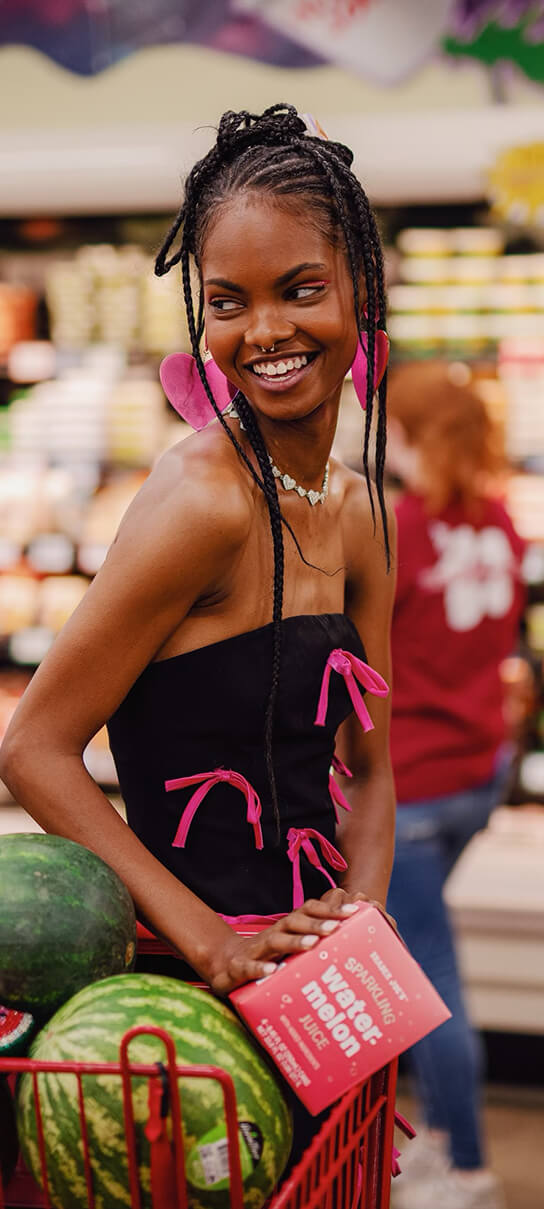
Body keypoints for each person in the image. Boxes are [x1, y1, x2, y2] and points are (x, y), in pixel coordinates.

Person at [0, 102, 396, 1164]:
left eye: (298, 290)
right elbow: (34, 749)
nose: (261, 332)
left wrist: (353, 957)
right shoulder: (199, 503)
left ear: (362, 289)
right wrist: (215, 947)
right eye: (226, 303)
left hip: (311, 997)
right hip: (178, 1003)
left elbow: (371, 769)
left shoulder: (357, 509)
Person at [385, 362, 525, 1209]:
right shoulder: (502, 519)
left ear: (410, 436)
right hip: (480, 771)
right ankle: (439, 1135)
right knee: (430, 951)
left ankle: (466, 1165)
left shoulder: (399, 524)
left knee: (429, 978)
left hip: (414, 784)